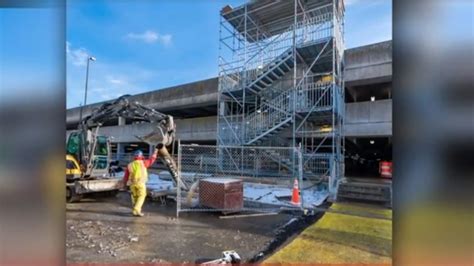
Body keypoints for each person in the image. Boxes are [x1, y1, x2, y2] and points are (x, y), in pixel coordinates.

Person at [122, 148, 158, 217]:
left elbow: (126, 176)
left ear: (134, 156)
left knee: (135, 197)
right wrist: (155, 153)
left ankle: (136, 212)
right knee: (142, 196)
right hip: (140, 183)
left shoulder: (130, 165)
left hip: (132, 184)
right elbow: (151, 160)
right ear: (141, 156)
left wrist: (124, 184)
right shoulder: (144, 163)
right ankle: (136, 209)